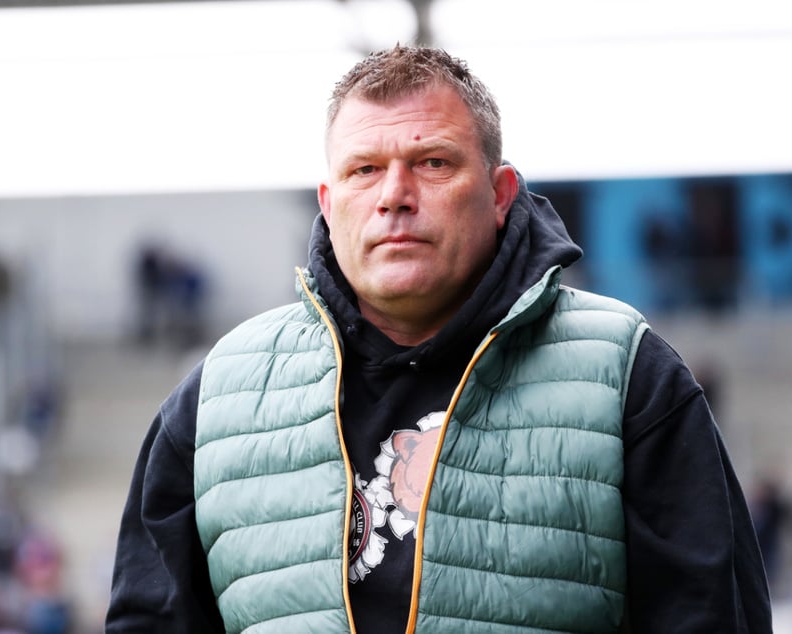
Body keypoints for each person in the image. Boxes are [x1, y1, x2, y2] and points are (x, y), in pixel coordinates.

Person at [106, 45, 772, 633]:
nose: (394, 195)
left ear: (500, 193)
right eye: (363, 170)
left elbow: (710, 612)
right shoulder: (218, 396)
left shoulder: (626, 374)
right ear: (329, 201)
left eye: (431, 162)